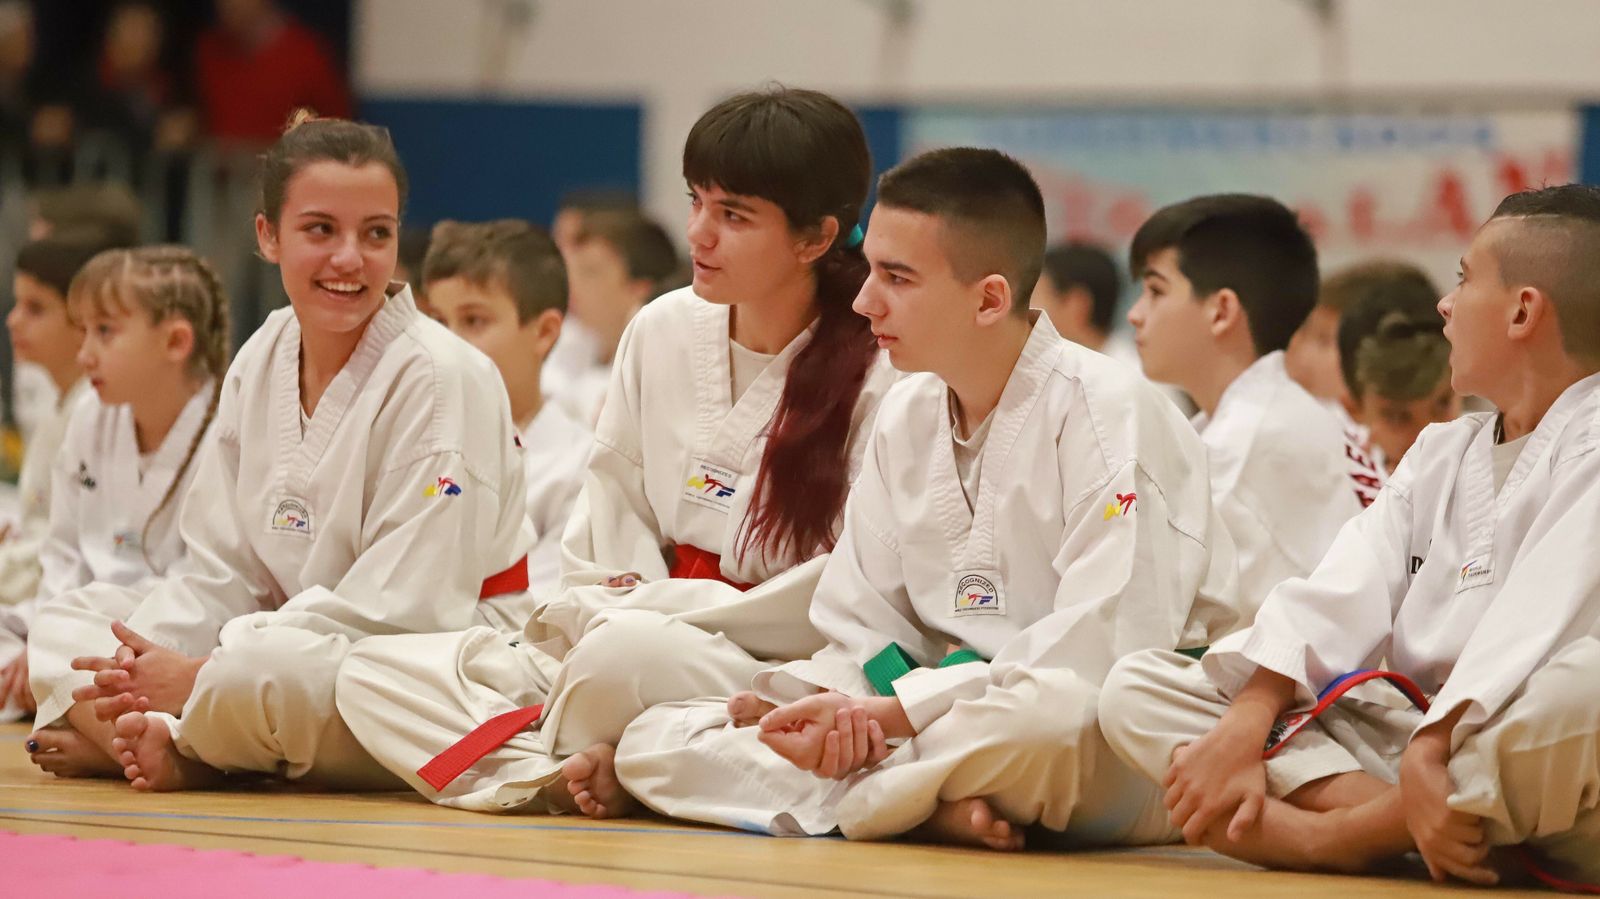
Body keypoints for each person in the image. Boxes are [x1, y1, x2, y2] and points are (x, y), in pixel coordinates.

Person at [613, 147, 1241, 850]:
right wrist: (841, 711)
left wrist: (898, 717)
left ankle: (881, 798)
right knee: (652, 737)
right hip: (935, 721)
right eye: (870, 267)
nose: (862, 299)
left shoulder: (1108, 411)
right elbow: (859, 622)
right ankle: (916, 802)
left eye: (897, 277)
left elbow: (1099, 658)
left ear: (990, 298)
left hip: (1114, 749)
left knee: (1044, 721)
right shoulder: (908, 413)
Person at [334, 86, 898, 818]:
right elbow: (609, 513)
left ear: (815, 237)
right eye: (696, 201)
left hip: (760, 659)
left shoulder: (881, 372)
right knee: (372, 671)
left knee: (619, 658)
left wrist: (657, 614)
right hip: (622, 623)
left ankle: (576, 753)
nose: (698, 233)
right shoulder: (661, 329)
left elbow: (842, 591)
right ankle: (565, 767)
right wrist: (620, 606)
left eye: (733, 216)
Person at [1099, 185, 1600, 888]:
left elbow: (1535, 632)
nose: (1444, 305)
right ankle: (1417, 828)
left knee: (1586, 693)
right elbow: (1337, 590)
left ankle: (1338, 836)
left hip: (1533, 764)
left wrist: (1427, 754)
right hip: (1428, 768)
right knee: (1139, 686)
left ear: (1523, 310)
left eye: (1462, 279)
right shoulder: (1443, 451)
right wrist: (1248, 718)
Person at [44, 113, 533, 792]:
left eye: (376, 233)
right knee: (72, 628)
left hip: (422, 661)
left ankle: (181, 739)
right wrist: (147, 657)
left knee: (272, 672)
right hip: (270, 641)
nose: (349, 259)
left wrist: (204, 670)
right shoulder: (261, 356)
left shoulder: (444, 376)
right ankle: (168, 728)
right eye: (320, 230)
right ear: (268, 236)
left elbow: (407, 606)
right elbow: (219, 567)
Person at [16, 247, 225, 741]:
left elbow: (211, 578)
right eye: (83, 330)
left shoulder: (228, 426)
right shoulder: (91, 414)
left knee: (68, 639)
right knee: (48, 627)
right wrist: (45, 632)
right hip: (87, 622)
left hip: (177, 630)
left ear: (175, 341)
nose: (85, 352)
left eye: (104, 332)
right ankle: (118, 731)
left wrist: (119, 640)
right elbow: (63, 550)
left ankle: (105, 740)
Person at [1126, 195, 1362, 620]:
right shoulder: (1239, 422)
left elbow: (1159, 612)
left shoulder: (1252, 440)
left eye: (1155, 291)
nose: (1135, 314)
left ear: (1221, 311)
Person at [422, 219, 590, 608]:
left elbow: (538, 606)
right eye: (437, 322)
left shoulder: (577, 467)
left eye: (474, 321)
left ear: (544, 332)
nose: (446, 343)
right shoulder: (406, 443)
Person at [0, 231, 130, 638]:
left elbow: (80, 551)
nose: (13, 320)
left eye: (35, 308)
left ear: (81, 324)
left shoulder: (96, 411)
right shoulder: (61, 406)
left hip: (76, 607)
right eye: (17, 304)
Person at [545, 210, 680, 425]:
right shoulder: (571, 340)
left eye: (591, 272)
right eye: (573, 270)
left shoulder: (659, 376)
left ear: (640, 289)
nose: (572, 284)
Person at [1332, 261, 1461, 474]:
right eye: (1397, 417)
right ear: (1353, 409)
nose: (1427, 433)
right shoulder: (1333, 489)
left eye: (1443, 403)